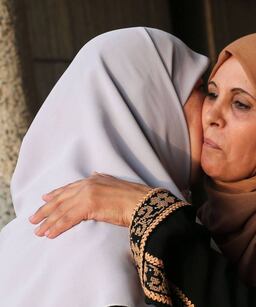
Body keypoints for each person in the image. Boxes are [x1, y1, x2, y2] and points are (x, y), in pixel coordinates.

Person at [31, 31, 256, 306]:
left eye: (241, 103)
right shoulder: (213, 211)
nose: (212, 116)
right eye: (211, 93)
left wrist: (144, 211)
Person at [0, 27, 208, 306]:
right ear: (155, 103)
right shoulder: (120, 251)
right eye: (202, 89)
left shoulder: (13, 243)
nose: (213, 111)